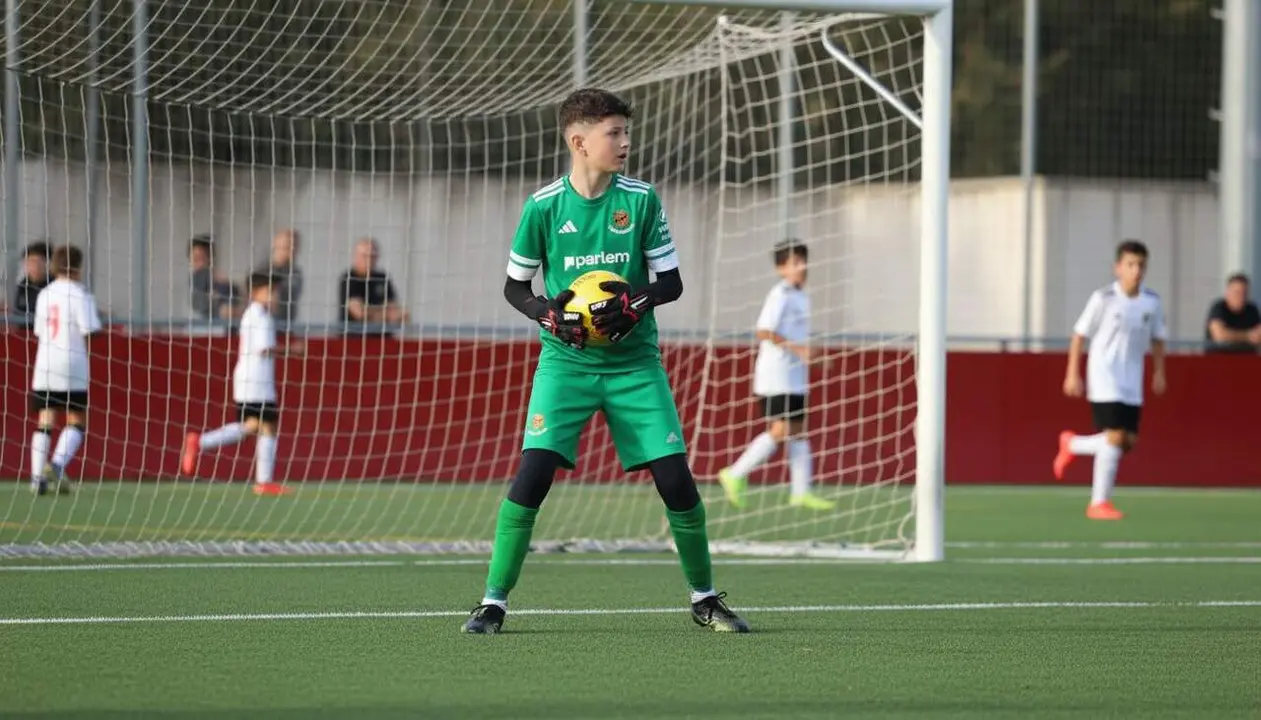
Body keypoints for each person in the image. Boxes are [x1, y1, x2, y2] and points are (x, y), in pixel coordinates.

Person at [461, 88, 748, 635]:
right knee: (533, 475)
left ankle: (705, 598)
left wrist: (637, 302)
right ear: (579, 141)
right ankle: (492, 603)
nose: (625, 142)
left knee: (676, 481)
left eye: (625, 132)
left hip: (635, 365)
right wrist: (547, 314)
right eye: (613, 133)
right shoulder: (544, 206)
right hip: (565, 365)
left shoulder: (640, 200)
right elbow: (516, 287)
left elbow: (671, 283)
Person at [1053, 240, 1167, 520]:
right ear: (1118, 268)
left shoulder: (1151, 302)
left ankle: (1073, 444)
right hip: (1104, 374)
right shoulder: (1103, 298)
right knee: (1114, 436)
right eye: (1130, 264)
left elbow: (1158, 338)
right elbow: (1079, 335)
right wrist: (1072, 373)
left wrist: (1159, 371)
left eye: (1141, 265)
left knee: (1128, 441)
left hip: (1132, 379)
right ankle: (1098, 503)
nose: (1136, 270)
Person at [717, 240, 835, 511]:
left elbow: (794, 335)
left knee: (799, 430)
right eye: (794, 263)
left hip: (795, 376)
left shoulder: (802, 296)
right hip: (776, 375)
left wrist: (811, 355)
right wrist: (799, 349)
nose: (801, 267)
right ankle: (734, 473)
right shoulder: (780, 294)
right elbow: (764, 331)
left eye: (803, 261)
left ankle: (801, 492)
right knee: (781, 430)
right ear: (781, 268)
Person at [180, 272, 295, 496]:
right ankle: (263, 481)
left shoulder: (255, 314)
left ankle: (201, 443)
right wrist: (293, 349)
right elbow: (264, 349)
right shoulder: (259, 316)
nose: (275, 297)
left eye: (276, 292)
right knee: (265, 424)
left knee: (254, 426)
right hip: (256, 380)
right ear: (256, 293)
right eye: (271, 291)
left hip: (253, 379)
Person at [29, 245, 102, 495]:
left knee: (45, 418)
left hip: (45, 363)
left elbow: (38, 331)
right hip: (72, 363)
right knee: (76, 419)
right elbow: (90, 330)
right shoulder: (80, 294)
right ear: (78, 268)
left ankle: (36, 478)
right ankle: (57, 464)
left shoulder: (44, 294)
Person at [338, 237, 407, 334]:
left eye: (372, 256)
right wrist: (385, 313)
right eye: (365, 256)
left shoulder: (382, 277)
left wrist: (372, 312)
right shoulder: (349, 278)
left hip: (382, 337)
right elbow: (359, 313)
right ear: (356, 256)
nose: (369, 259)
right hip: (354, 337)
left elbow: (398, 313)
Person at [257, 229, 303, 330]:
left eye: (295, 246)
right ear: (277, 245)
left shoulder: (296, 273)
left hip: (287, 327)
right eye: (288, 245)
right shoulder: (263, 271)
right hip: (266, 327)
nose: (292, 250)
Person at [1204, 273, 1261, 354]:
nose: (1241, 296)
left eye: (1244, 293)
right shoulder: (1219, 308)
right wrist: (1248, 336)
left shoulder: (1252, 310)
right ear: (1227, 292)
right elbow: (1219, 335)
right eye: (1237, 292)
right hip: (1220, 359)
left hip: (1247, 358)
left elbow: (1258, 334)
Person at [189, 235, 242, 321]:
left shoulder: (220, 282)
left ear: (210, 258)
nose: (198, 263)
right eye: (195, 258)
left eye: (201, 258)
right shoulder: (195, 279)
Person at [13, 241, 52, 321]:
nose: (33, 266)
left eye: (37, 262)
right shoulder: (22, 286)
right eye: (29, 262)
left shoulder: (55, 286)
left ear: (47, 263)